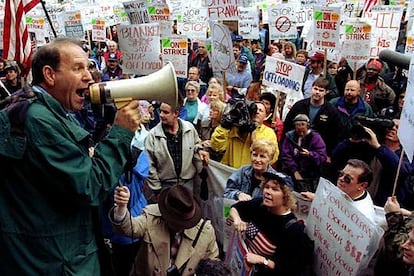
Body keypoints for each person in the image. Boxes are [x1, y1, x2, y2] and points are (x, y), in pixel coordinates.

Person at [0, 38, 141, 274]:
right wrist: (121, 133)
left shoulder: (38, 111)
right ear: (50, 74)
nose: (88, 76)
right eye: (78, 68)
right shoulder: (39, 120)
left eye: (87, 67)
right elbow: (90, 185)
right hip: (57, 262)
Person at [110, 184, 219, 276]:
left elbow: (213, 264)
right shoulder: (151, 218)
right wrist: (121, 207)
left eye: (183, 223)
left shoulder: (205, 232)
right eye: (175, 222)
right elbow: (130, 228)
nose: (179, 227)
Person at [230, 171, 313, 275]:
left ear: (286, 196)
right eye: (266, 187)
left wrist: (262, 260)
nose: (267, 192)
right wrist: (237, 219)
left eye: (274, 189)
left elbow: (290, 269)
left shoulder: (293, 229)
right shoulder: (260, 204)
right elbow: (235, 208)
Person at [144, 100, 208, 197]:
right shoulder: (153, 135)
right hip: (165, 186)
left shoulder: (189, 128)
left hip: (187, 184)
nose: (161, 115)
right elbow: (149, 164)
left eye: (165, 112)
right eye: (160, 111)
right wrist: (156, 189)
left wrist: (200, 150)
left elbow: (196, 144)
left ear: (176, 113)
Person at [283, 77, 344, 158]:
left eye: (321, 90)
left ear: (326, 92)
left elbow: (336, 135)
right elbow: (287, 126)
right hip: (296, 150)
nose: (317, 92)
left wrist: (329, 154)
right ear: (311, 88)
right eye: (315, 89)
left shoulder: (331, 111)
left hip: (318, 153)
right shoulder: (299, 105)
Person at [301, 159, 376, 223]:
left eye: (347, 179)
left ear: (362, 185)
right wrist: (317, 198)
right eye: (341, 174)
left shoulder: (363, 216)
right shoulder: (345, 189)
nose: (341, 179)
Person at [211, 100, 279, 168]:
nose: (257, 112)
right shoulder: (233, 127)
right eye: (254, 109)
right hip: (229, 172)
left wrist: (254, 136)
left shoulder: (268, 133)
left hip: (252, 174)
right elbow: (216, 147)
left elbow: (273, 157)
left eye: (260, 110)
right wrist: (224, 126)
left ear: (265, 116)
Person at [224, 138, 291, 201]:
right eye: (255, 155)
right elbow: (227, 192)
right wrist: (238, 194)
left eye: (262, 156)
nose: (257, 159)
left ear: (270, 159)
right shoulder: (243, 171)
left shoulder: (275, 179)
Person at [281, 114, 327, 192]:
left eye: (303, 124)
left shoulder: (315, 138)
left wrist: (310, 154)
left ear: (308, 125)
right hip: (291, 172)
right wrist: (295, 171)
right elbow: (285, 155)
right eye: (298, 125)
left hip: (311, 175)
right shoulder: (289, 137)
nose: (300, 127)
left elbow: (322, 156)